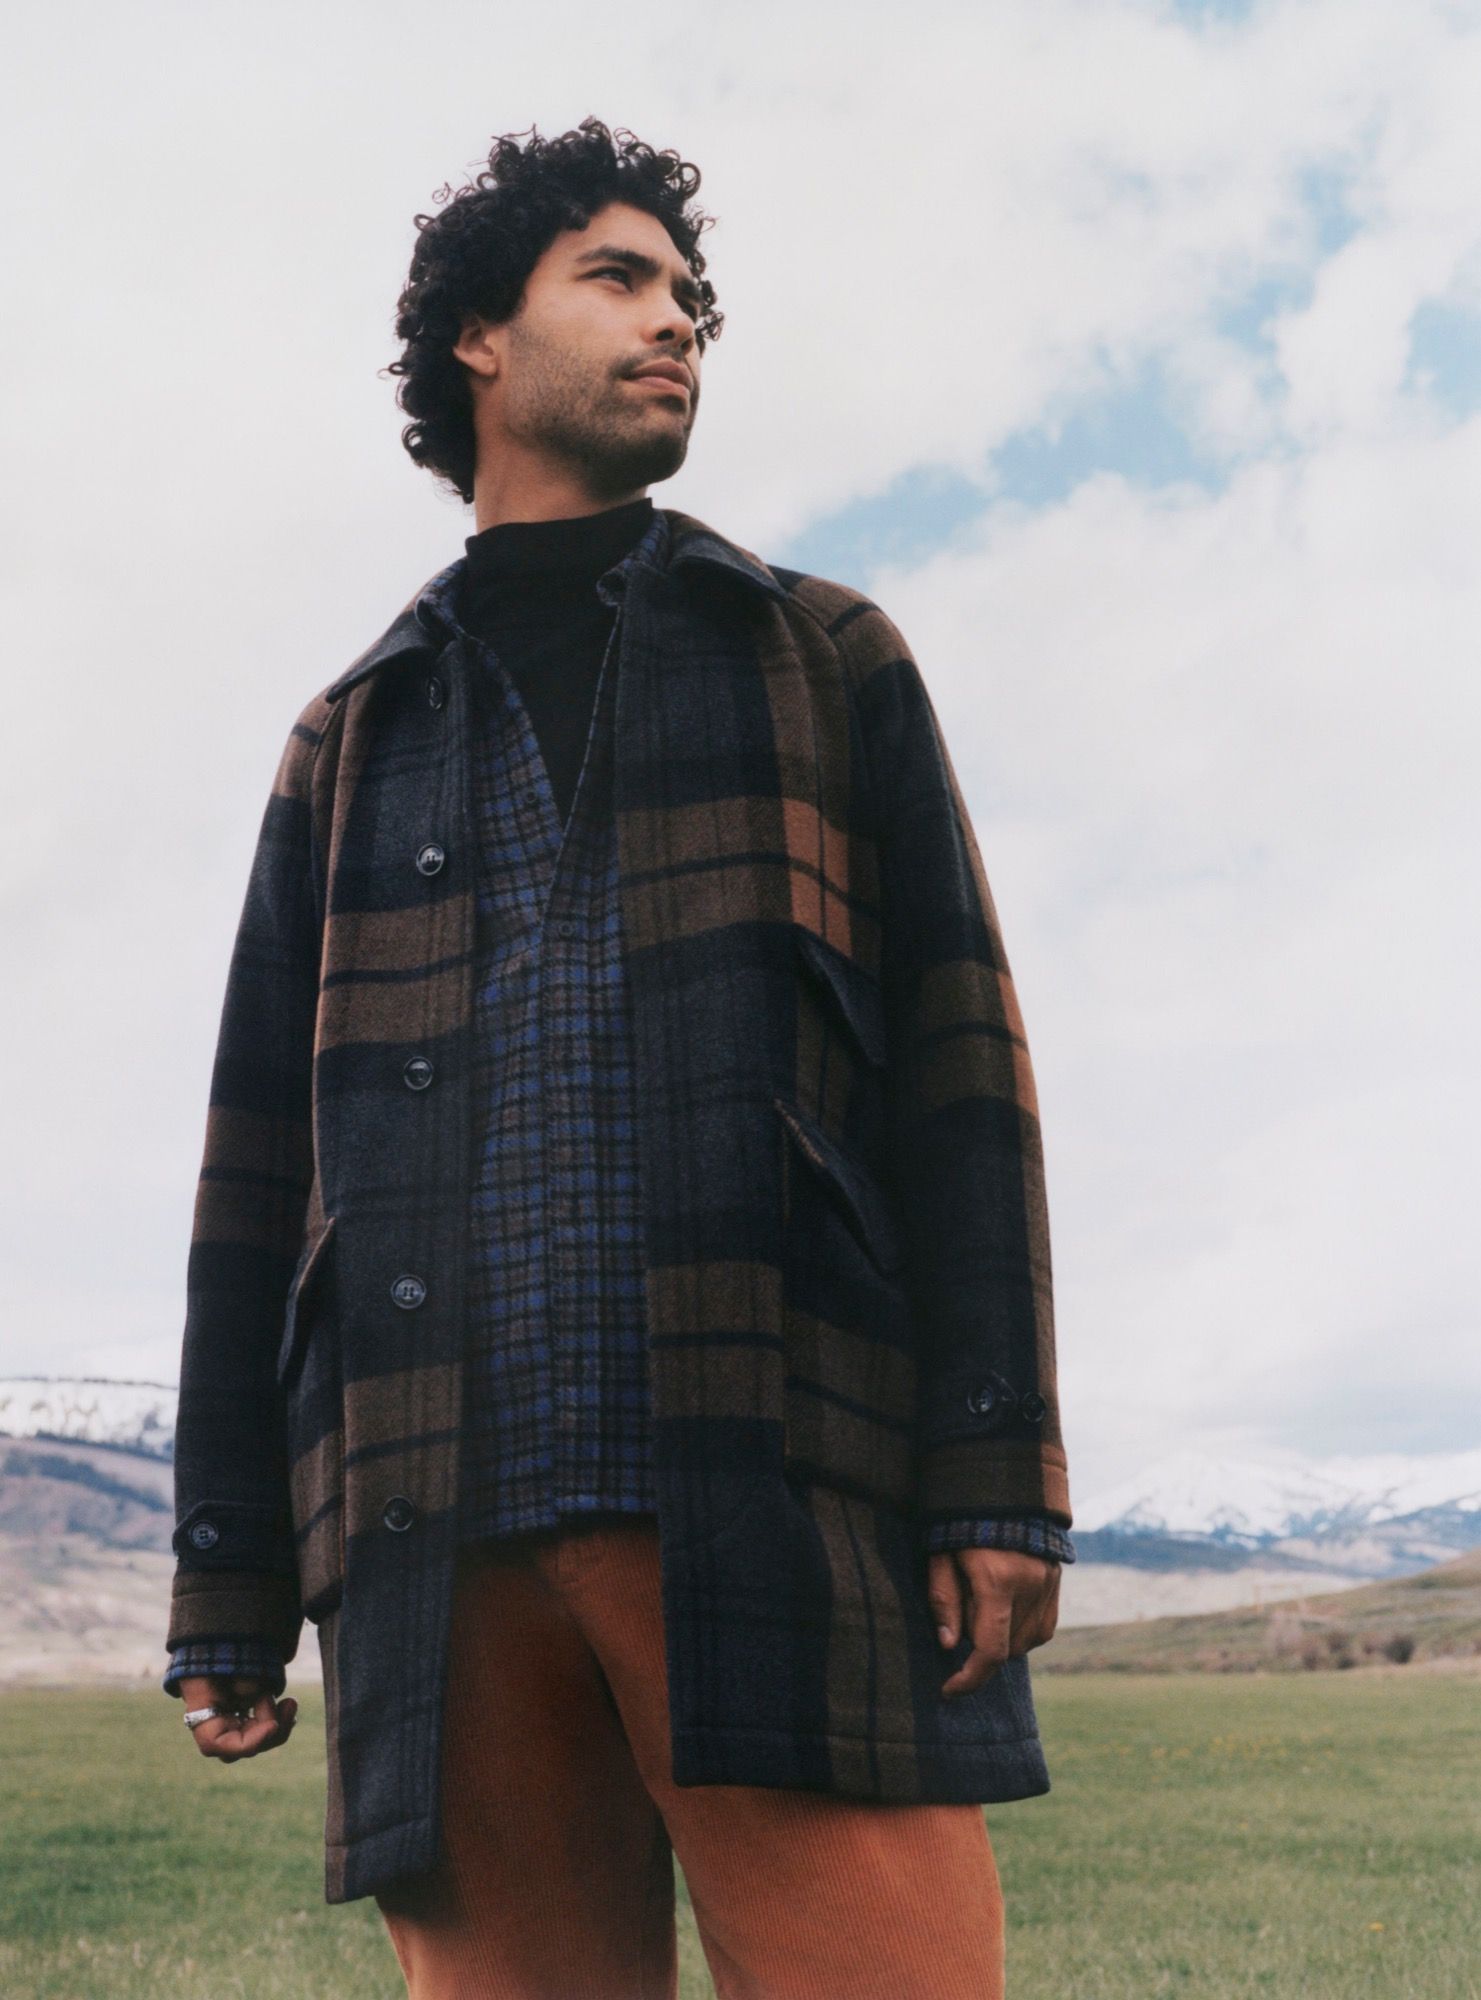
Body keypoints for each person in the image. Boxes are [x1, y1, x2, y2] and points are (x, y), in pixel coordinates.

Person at [162, 115, 1076, 1999]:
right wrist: (228, 1571)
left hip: (774, 1485)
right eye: (619, 277)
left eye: (687, 296)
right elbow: (256, 1173)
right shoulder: (347, 738)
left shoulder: (820, 656)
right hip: (427, 1522)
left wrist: (995, 1476)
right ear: (478, 338)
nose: (675, 323)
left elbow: (960, 1077)